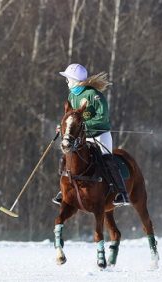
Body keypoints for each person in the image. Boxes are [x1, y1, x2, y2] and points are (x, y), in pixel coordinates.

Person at [52, 63, 130, 207]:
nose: (67, 82)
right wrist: (63, 127)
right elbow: (70, 117)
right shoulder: (71, 96)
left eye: (68, 79)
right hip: (82, 135)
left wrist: (83, 125)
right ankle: (64, 191)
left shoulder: (94, 95)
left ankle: (121, 193)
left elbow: (103, 117)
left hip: (100, 133)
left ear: (75, 80)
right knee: (68, 157)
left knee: (107, 160)